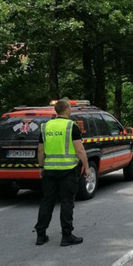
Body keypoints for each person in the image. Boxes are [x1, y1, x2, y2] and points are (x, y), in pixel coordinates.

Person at [35, 98, 88, 246]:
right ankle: (66, 236)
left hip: (50, 171)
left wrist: (41, 167)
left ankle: (40, 235)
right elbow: (79, 150)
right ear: (67, 110)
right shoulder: (72, 126)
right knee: (66, 202)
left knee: (47, 201)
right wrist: (87, 167)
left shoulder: (45, 127)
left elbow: (40, 150)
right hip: (68, 170)